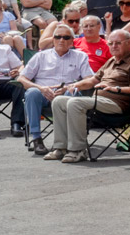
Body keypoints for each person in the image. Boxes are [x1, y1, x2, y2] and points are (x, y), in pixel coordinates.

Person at [48, 28, 130, 162]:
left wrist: (114, 88)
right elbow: (93, 80)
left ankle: (78, 150)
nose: (113, 46)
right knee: (59, 101)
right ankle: (61, 147)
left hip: (119, 104)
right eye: (110, 43)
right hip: (99, 100)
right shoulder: (111, 61)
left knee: (75, 103)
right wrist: (73, 86)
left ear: (129, 43)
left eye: (118, 43)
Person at [15, 23, 92, 154]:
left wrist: (71, 86)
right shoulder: (41, 56)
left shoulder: (80, 56)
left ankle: (71, 141)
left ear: (72, 42)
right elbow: (21, 78)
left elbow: (90, 79)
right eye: (58, 37)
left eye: (66, 37)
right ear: (53, 39)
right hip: (43, 94)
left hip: (66, 95)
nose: (61, 40)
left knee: (73, 92)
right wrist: (40, 88)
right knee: (32, 93)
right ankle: (37, 139)